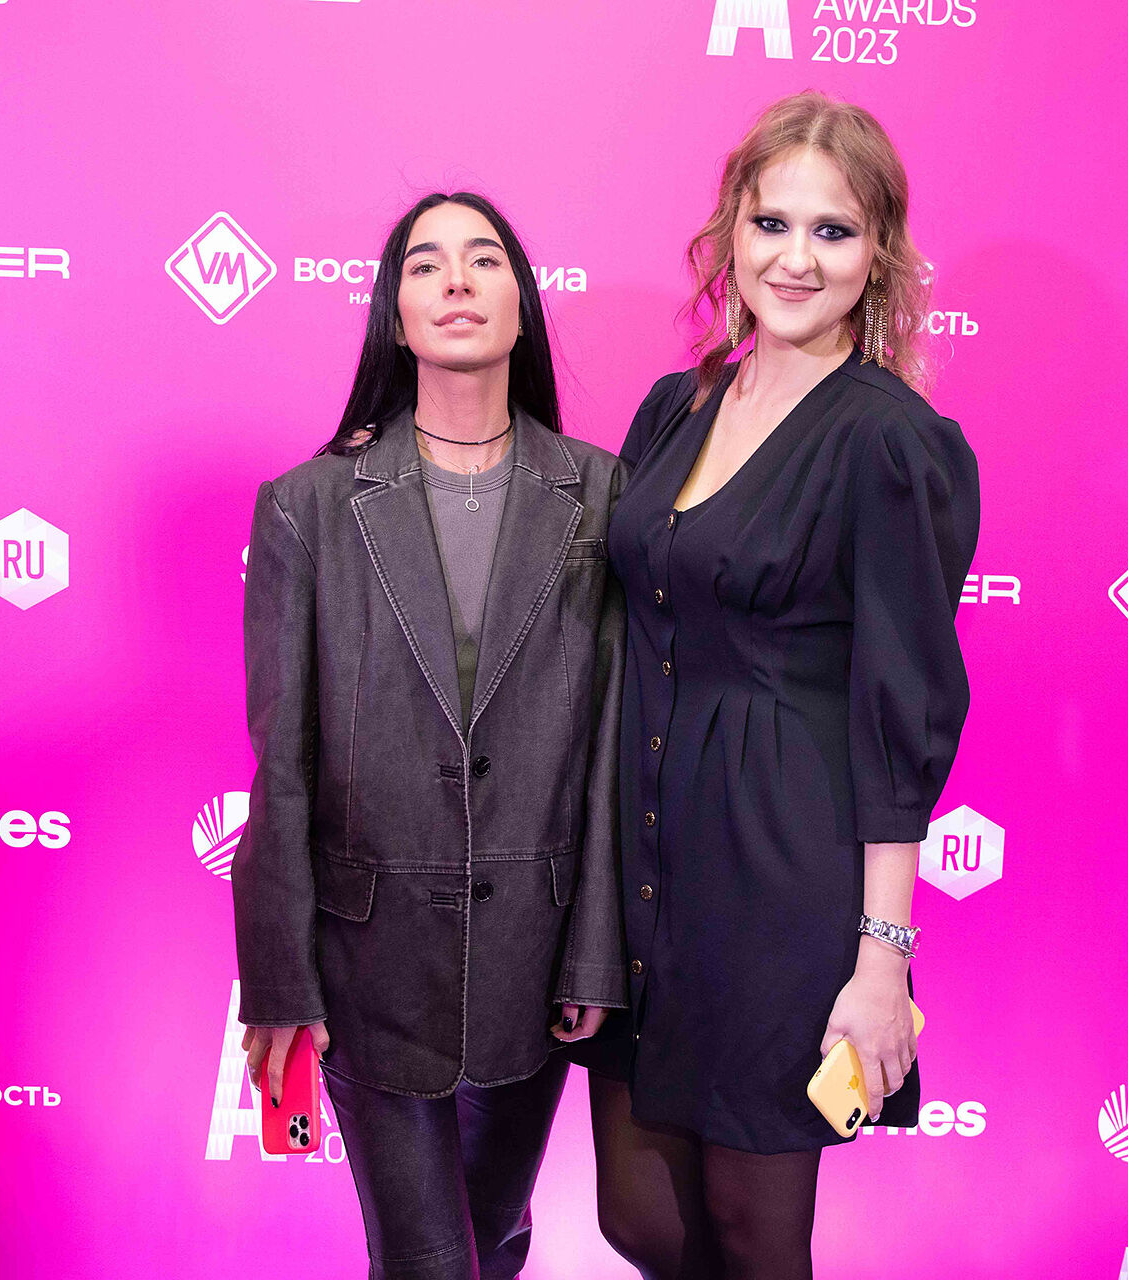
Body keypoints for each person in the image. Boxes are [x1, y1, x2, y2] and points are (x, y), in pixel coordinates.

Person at [572, 91, 980, 1279]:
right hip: (648, 865)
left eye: (833, 230)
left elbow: (901, 711)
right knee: (640, 1218)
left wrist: (881, 956)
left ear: (879, 251)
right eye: (772, 223)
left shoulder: (891, 442)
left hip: (781, 881)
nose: (796, 259)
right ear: (731, 233)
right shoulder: (677, 405)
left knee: (755, 1233)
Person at [233, 191, 628, 1280]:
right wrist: (279, 976)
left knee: (493, 1241)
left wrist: (596, 948)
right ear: (394, 315)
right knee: (430, 1261)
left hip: (537, 961)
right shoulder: (308, 506)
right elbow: (282, 764)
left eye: (484, 258)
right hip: (368, 963)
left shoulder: (602, 492)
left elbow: (611, 751)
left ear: (522, 303)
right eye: (425, 264)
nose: (456, 279)